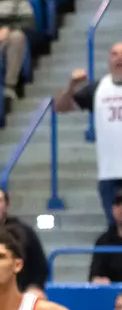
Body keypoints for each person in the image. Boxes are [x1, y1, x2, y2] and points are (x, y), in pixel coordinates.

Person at [54, 42, 122, 209]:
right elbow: (60, 107)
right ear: (108, 60)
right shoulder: (99, 88)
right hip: (109, 173)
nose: (119, 58)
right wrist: (71, 85)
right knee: (115, 230)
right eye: (114, 54)